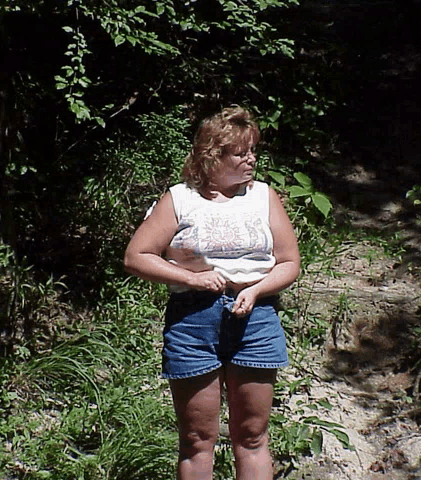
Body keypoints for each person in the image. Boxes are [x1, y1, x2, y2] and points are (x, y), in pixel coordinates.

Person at [123, 105, 300, 480]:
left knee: (251, 435)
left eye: (253, 150)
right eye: (241, 152)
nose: (251, 158)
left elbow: (288, 263)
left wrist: (256, 291)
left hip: (255, 318)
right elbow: (137, 256)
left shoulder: (264, 197)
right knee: (196, 438)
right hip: (192, 320)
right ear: (212, 155)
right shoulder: (179, 199)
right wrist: (192, 279)